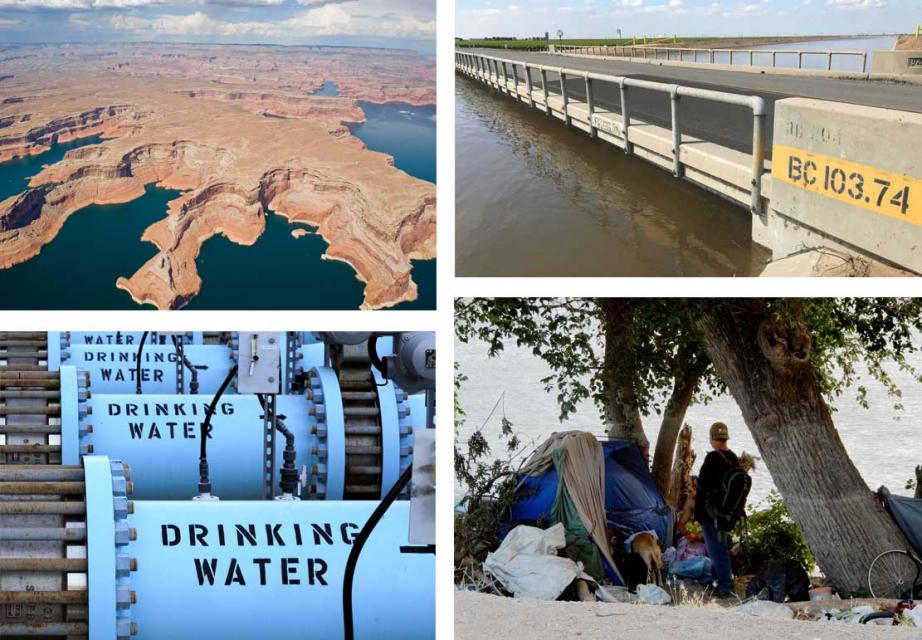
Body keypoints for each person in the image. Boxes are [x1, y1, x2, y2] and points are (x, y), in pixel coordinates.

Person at [695, 421, 742, 598]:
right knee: (720, 547)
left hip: (711, 512)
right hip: (725, 513)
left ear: (712, 439)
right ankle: (718, 580)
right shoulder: (733, 458)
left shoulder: (713, 458)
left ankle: (725, 586)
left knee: (716, 549)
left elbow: (703, 483)